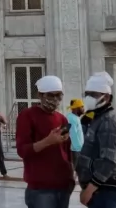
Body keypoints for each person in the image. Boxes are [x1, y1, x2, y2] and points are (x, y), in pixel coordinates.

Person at [15, 75, 74, 208]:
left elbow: (66, 151)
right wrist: (48, 141)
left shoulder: (62, 119)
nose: (54, 99)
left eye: (58, 95)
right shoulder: (27, 116)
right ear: (40, 95)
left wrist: (71, 176)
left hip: (63, 185)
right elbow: (22, 150)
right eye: (50, 95)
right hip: (41, 189)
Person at [76, 73, 116, 208]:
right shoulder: (95, 118)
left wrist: (89, 190)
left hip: (105, 189)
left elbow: (108, 161)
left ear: (107, 97)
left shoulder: (108, 121)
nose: (88, 98)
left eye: (93, 94)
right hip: (99, 190)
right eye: (87, 94)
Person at [67, 99, 86, 167]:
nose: (83, 109)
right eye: (81, 107)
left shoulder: (75, 118)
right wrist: (79, 149)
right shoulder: (72, 119)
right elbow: (73, 135)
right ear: (75, 109)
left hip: (77, 150)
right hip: (76, 150)